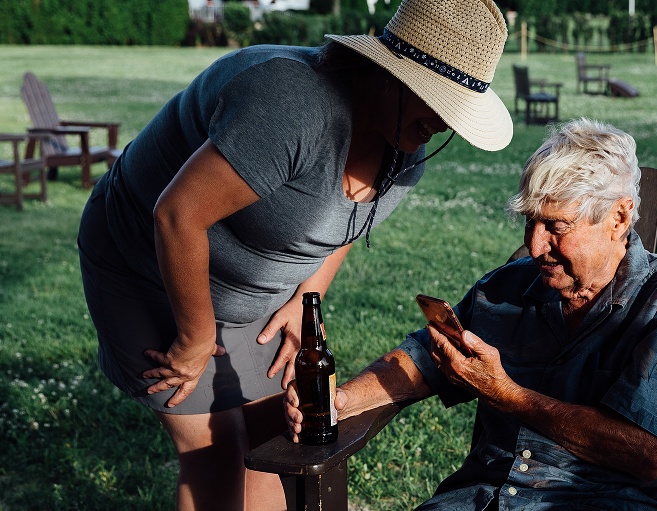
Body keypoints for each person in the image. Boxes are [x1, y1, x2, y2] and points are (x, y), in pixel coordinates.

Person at [76, 0, 513, 508]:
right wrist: (195, 338)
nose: (445, 123)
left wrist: (305, 296)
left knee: (275, 446)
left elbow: (347, 221)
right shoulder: (292, 106)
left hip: (250, 288)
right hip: (147, 267)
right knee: (216, 453)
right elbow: (176, 216)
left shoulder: (406, 146)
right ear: (395, 76)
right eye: (441, 101)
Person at [284, 118, 657, 510]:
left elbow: (647, 453)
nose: (536, 246)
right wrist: (341, 401)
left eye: (556, 227)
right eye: (530, 222)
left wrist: (507, 394)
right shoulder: (507, 289)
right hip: (480, 498)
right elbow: (423, 359)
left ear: (619, 218)